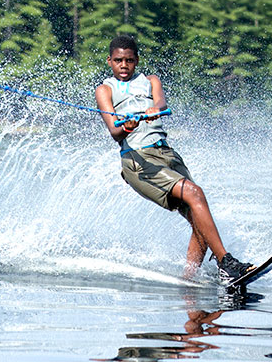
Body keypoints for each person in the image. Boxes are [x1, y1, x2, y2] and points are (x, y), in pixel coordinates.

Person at [94, 35, 252, 282]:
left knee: (197, 217)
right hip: (138, 161)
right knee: (195, 193)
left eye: (129, 60)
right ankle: (226, 263)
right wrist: (129, 125)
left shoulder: (151, 81)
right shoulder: (105, 90)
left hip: (166, 154)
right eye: (117, 60)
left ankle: (189, 281)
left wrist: (154, 109)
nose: (123, 65)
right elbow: (115, 132)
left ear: (137, 61)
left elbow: (160, 103)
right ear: (109, 61)